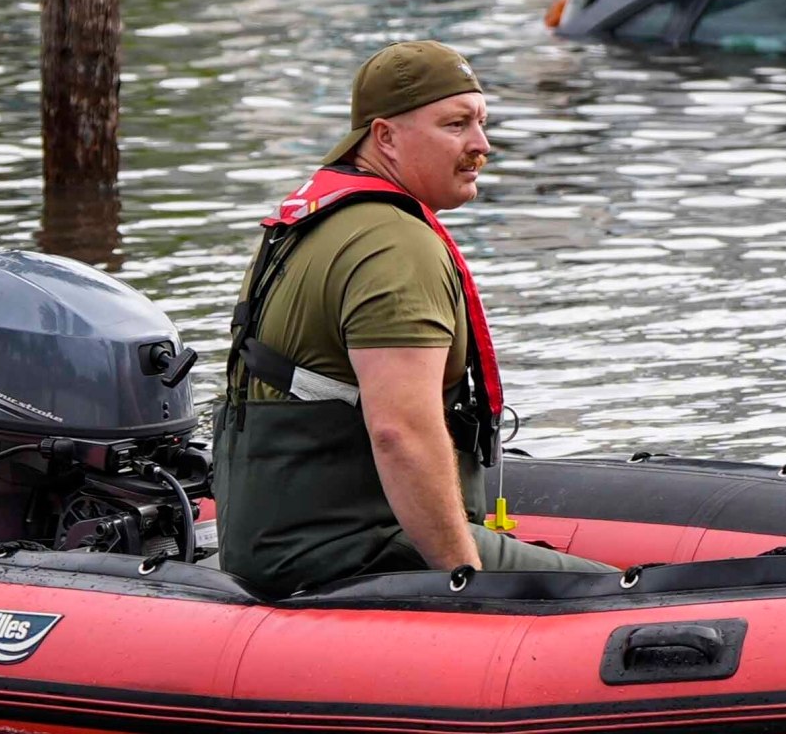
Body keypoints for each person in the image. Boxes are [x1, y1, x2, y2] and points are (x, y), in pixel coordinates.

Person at [213, 41, 613, 596]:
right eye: (455, 125)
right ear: (385, 137)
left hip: (277, 543)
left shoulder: (317, 220)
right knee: (629, 599)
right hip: (356, 547)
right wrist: (465, 580)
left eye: (481, 123)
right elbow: (400, 432)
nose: (482, 145)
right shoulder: (394, 246)